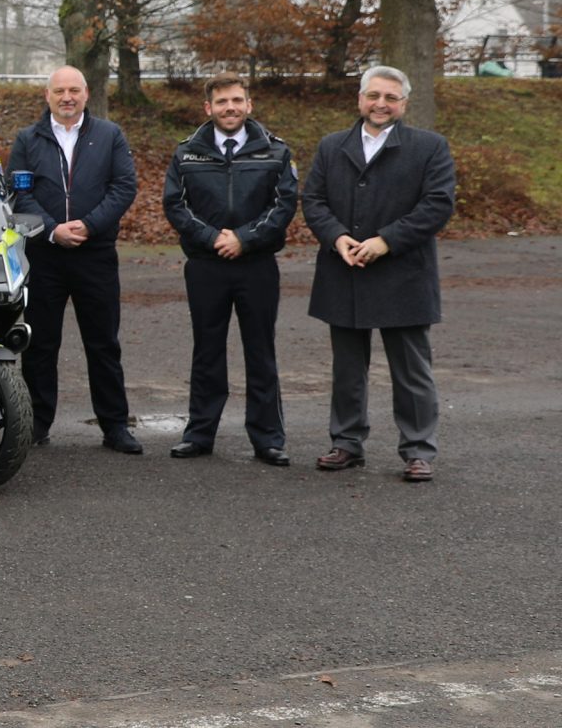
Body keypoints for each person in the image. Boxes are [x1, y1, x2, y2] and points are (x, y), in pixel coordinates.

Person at [302, 66, 457, 482]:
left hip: (403, 274)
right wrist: (337, 238)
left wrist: (385, 241)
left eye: (390, 97)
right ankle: (346, 443)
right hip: (344, 270)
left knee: (411, 371)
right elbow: (313, 200)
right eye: (374, 95)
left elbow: (437, 205)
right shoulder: (333, 146)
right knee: (348, 370)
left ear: (403, 103)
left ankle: (418, 450)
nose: (381, 104)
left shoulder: (429, 147)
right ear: (360, 99)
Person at [162, 74, 298, 466]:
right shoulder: (187, 152)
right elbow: (176, 206)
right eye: (221, 102)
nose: (230, 108)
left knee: (261, 351)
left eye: (237, 100)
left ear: (249, 105)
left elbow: (283, 205)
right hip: (206, 266)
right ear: (208, 108)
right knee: (207, 351)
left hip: (257, 265)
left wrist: (243, 238)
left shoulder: (275, 151)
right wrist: (211, 238)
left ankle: (268, 438)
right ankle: (200, 433)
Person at [9, 67, 141, 454]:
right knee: (40, 344)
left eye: (74, 90)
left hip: (95, 254)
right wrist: (52, 229)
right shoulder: (27, 139)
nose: (67, 97)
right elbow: (19, 191)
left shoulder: (109, 135)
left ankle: (115, 425)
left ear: (86, 94)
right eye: (59, 91)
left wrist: (88, 224)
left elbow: (124, 186)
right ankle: (35, 423)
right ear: (46, 95)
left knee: (103, 343)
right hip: (44, 255)